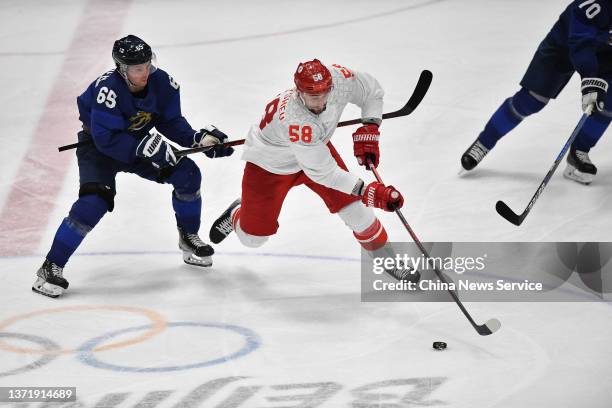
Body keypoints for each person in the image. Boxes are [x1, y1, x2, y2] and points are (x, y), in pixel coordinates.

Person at [32, 35, 234, 298]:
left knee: (188, 174)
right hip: (98, 149)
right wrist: (144, 148)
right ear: (121, 68)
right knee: (94, 203)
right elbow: (105, 140)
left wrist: (198, 139)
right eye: (138, 68)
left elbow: (171, 121)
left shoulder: (162, 82)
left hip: (139, 143)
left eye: (147, 65)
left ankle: (188, 237)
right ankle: (50, 266)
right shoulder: (108, 89)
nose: (145, 72)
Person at [208, 59, 418, 282]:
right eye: (312, 96)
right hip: (269, 166)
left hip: (315, 151)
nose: (319, 102)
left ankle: (388, 260)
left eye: (323, 94)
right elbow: (325, 174)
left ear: (330, 86)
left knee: (356, 212)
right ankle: (237, 213)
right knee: (253, 239)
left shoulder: (339, 79)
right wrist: (369, 192)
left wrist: (370, 127)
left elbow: (371, 91)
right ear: (299, 92)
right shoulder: (297, 120)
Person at [461, 0, 612, 185]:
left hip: (606, 53)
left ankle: (578, 153)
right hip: (564, 45)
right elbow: (580, 42)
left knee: (608, 104)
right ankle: (484, 142)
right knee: (532, 99)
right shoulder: (597, 3)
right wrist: (590, 80)